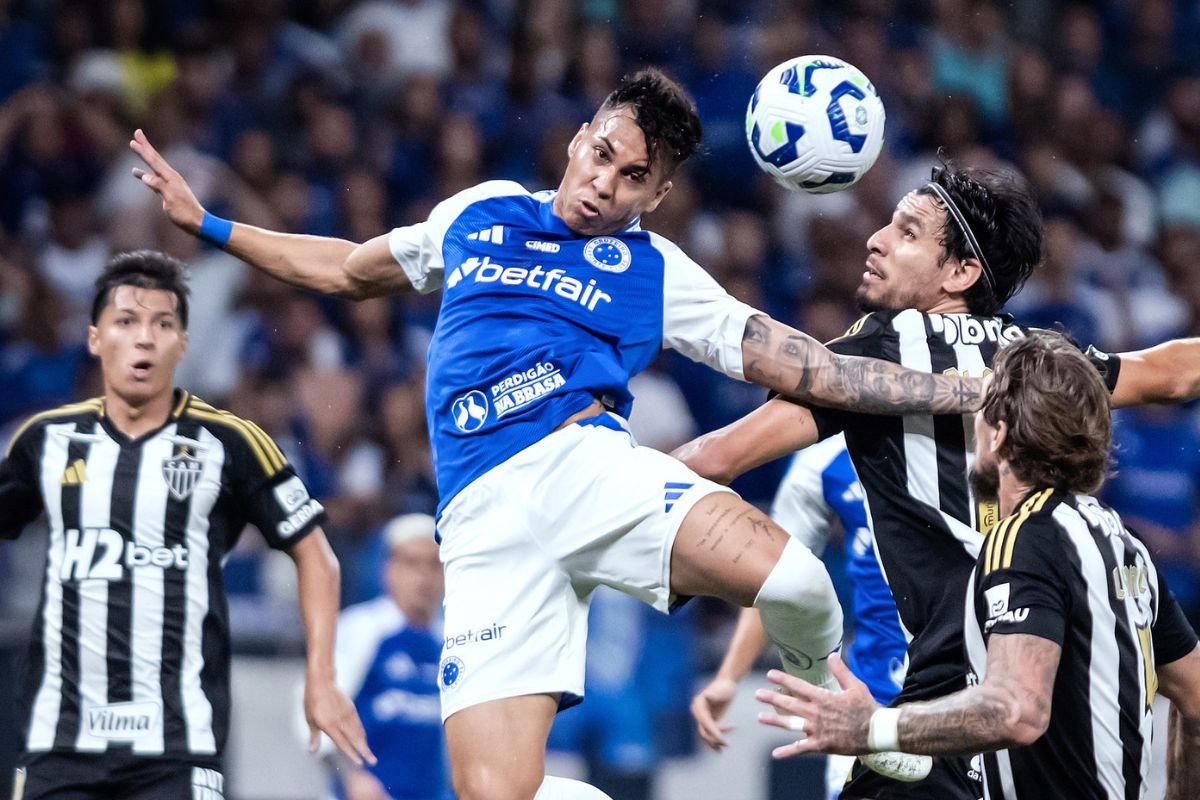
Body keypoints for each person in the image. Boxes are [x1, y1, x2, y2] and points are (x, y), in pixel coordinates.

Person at [130, 69, 988, 800]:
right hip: (478, 522)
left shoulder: (652, 268)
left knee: (799, 585)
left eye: (632, 176)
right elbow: (349, 269)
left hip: (585, 469)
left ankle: (849, 714)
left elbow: (810, 368)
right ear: (579, 138)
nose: (603, 182)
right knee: (493, 792)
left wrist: (966, 389)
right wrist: (208, 225)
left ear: (658, 195)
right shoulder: (482, 212)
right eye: (600, 153)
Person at [675, 162, 1200, 799]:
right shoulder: (1040, 365)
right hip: (1069, 687)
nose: (875, 239)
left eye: (907, 232)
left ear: (961, 273)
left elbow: (715, 460)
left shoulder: (876, 355)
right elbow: (1173, 373)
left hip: (953, 708)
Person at [757, 331, 1200, 800]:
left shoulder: (1023, 537)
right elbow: (1194, 697)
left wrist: (873, 728)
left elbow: (1016, 711)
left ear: (1001, 431)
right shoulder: (1124, 546)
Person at [0, 251, 373, 800]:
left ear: (183, 344)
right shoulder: (44, 440)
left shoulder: (233, 442)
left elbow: (315, 553)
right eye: (126, 321)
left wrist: (321, 676)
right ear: (96, 337)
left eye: (163, 323)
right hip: (60, 745)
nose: (145, 337)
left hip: (180, 746)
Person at [690, 434, 906, 800]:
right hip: (875, 705)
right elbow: (777, 580)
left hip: (985, 697)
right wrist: (729, 676)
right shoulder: (826, 460)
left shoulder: (986, 437)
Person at [326, 513, 448, 800]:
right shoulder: (361, 628)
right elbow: (321, 710)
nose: (424, 577)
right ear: (388, 569)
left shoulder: (450, 638)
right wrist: (353, 778)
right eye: (412, 563)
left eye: (434, 565)